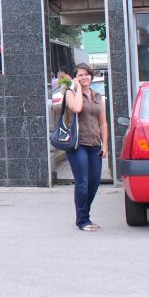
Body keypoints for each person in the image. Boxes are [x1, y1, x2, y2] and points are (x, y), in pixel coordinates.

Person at [63, 63, 108, 232]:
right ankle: (83, 220)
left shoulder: (97, 96)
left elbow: (102, 122)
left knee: (94, 183)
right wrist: (77, 88)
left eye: (86, 74)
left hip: (95, 144)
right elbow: (77, 108)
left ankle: (84, 216)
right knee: (82, 183)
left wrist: (105, 144)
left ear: (91, 76)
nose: (84, 77)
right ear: (75, 78)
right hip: (77, 145)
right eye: (80, 75)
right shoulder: (70, 93)